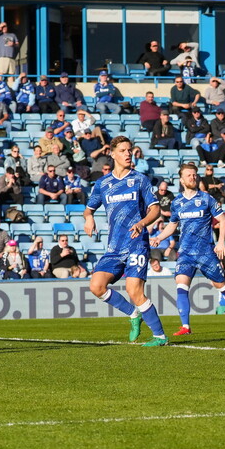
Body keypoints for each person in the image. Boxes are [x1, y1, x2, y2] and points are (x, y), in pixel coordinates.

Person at [149, 163, 225, 335]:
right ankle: (185, 327)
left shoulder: (206, 199)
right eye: (189, 175)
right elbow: (173, 225)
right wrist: (159, 237)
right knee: (181, 286)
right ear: (181, 180)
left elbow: (223, 219)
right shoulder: (177, 203)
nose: (193, 177)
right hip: (186, 253)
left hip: (205, 252)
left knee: (223, 286)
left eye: (194, 174)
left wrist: (221, 242)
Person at [84, 136, 168, 347]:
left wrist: (142, 223)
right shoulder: (103, 184)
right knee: (96, 286)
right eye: (123, 150)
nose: (128, 154)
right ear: (112, 154)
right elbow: (89, 209)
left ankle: (160, 336)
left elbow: (155, 209)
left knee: (134, 290)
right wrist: (89, 218)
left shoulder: (140, 179)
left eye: (130, 150)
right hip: (114, 247)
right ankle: (133, 314)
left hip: (136, 243)